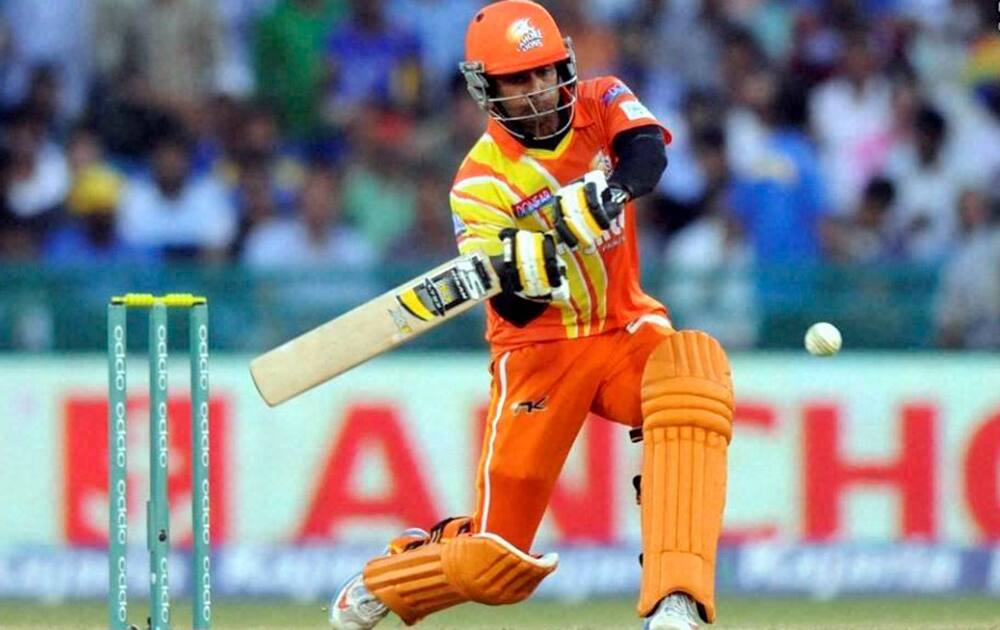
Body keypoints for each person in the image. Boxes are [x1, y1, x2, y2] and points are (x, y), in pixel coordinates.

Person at [328, 2, 735, 629]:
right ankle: (398, 570)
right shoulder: (479, 183)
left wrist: (610, 192)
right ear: (486, 90)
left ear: (563, 66)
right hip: (538, 357)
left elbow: (647, 155)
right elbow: (512, 306)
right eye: (515, 80)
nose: (535, 89)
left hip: (624, 326)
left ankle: (675, 599)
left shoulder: (601, 100)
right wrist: (530, 267)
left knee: (692, 375)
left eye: (542, 72)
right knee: (497, 565)